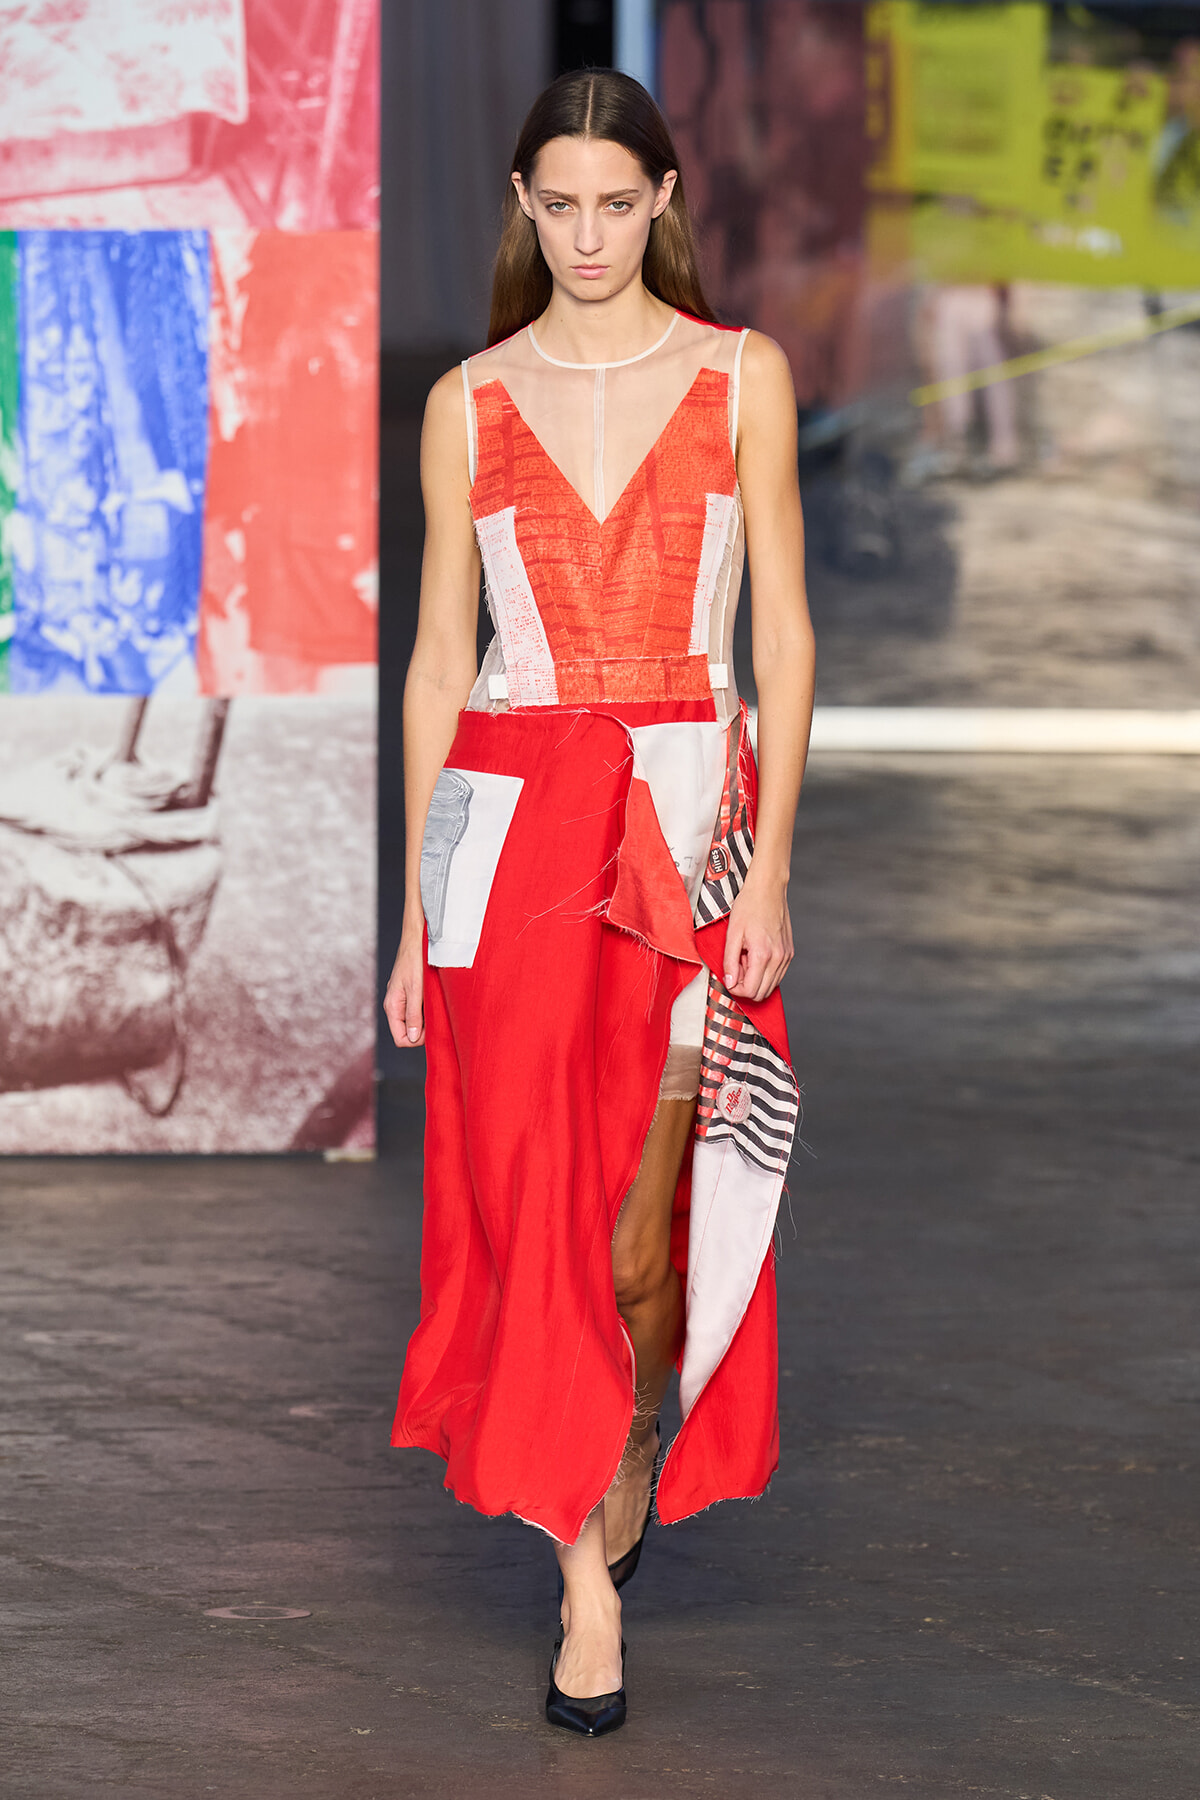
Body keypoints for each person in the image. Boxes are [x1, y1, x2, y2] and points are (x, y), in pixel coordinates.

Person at [385, 68, 814, 1737]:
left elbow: (782, 637)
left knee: (649, 1219)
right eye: (556, 204)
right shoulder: (467, 403)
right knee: (534, 1197)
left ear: (663, 201)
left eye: (615, 204)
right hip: (507, 839)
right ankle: (582, 1580)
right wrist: (412, 916)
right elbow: (439, 665)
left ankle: (632, 1429)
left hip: (689, 828)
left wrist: (774, 866)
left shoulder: (739, 377)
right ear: (521, 201)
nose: (585, 235)